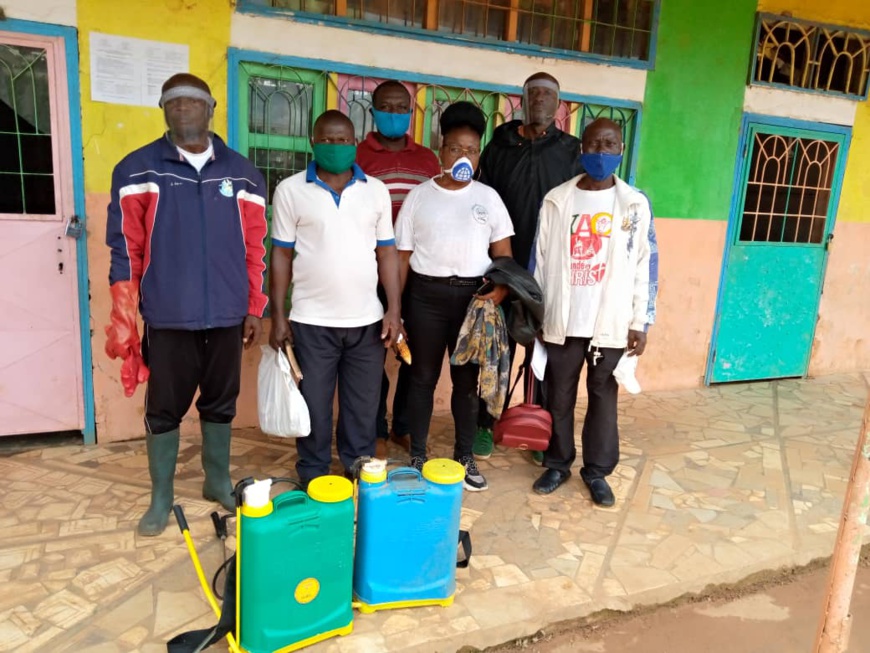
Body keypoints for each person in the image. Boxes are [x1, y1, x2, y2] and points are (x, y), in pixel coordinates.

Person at [105, 73, 268, 536]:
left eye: (192, 101)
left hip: (227, 314)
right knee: (164, 408)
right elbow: (125, 250)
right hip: (169, 314)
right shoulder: (137, 171)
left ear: (211, 108)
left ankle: (217, 480)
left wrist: (255, 307)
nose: (183, 109)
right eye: (173, 102)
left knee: (221, 402)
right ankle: (161, 498)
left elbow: (256, 246)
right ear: (163, 110)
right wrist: (124, 317)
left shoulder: (242, 174)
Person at [269, 110, 403, 486]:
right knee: (313, 403)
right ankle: (313, 473)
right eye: (326, 139)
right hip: (311, 322)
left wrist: (394, 309)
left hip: (367, 321)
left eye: (343, 140)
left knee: (361, 406)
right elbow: (280, 254)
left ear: (354, 143)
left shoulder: (375, 191)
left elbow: (387, 252)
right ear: (313, 142)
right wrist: (278, 316)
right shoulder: (290, 190)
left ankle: (356, 468)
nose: (335, 146)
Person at [531, 118, 658, 506]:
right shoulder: (557, 199)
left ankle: (597, 471)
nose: (601, 152)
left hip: (611, 320)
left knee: (603, 395)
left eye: (610, 144)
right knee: (559, 394)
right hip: (565, 317)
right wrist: (538, 311)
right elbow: (539, 257)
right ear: (580, 148)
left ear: (621, 150)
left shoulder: (634, 204)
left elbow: (644, 264)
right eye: (594, 144)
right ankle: (557, 463)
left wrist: (641, 321)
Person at [395, 101, 514, 492]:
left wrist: (497, 292)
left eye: (472, 150)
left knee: (466, 384)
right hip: (425, 297)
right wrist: (395, 307)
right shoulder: (419, 197)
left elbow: (504, 256)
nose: (464, 156)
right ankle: (418, 454)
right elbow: (402, 257)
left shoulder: (488, 197)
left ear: (479, 156)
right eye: (456, 149)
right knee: (422, 378)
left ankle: (464, 455)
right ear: (441, 151)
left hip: (471, 300)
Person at [474, 72, 584, 461]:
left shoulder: (572, 150)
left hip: (553, 268)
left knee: (545, 352)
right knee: (495, 347)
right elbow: (480, 199)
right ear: (521, 100)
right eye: (532, 93)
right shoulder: (500, 146)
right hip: (503, 264)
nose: (540, 100)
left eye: (548, 95)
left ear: (559, 105)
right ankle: (485, 424)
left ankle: (539, 427)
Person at [356, 80, 441, 459]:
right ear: (372, 111)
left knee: (414, 353)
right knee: (373, 354)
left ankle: (403, 425)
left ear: (411, 112)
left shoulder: (428, 160)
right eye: (386, 107)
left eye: (401, 107)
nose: (394, 114)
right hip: (369, 269)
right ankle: (374, 426)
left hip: (420, 269)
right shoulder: (355, 154)